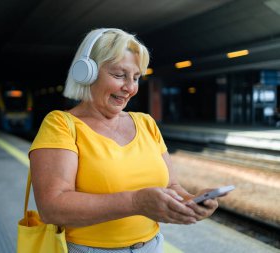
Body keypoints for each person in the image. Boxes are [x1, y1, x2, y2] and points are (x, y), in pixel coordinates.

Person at [29, 28, 218, 253]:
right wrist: (135, 202)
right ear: (87, 72)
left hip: (153, 245)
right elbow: (52, 208)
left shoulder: (146, 123)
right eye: (119, 75)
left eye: (136, 78)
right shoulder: (60, 125)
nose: (130, 88)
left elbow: (171, 186)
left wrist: (192, 201)